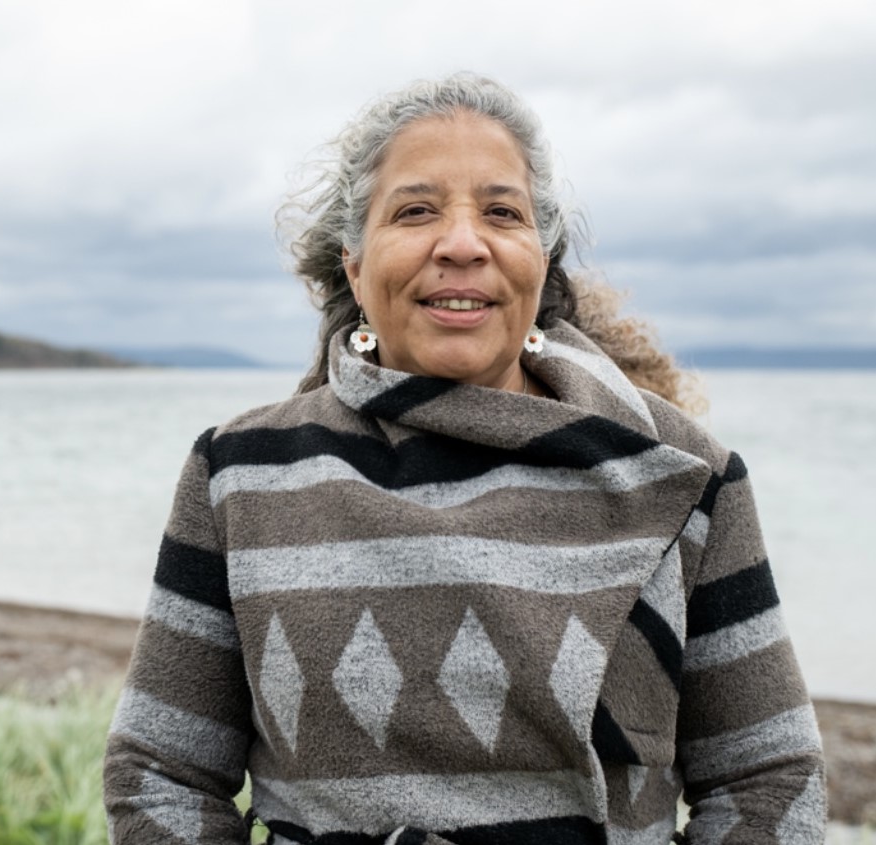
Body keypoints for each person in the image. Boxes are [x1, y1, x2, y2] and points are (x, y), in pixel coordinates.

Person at [103, 73, 826, 845]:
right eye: (415, 211)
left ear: (540, 259)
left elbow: (767, 776)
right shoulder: (240, 475)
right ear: (354, 264)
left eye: (500, 212)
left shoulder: (684, 476)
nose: (460, 243)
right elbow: (160, 770)